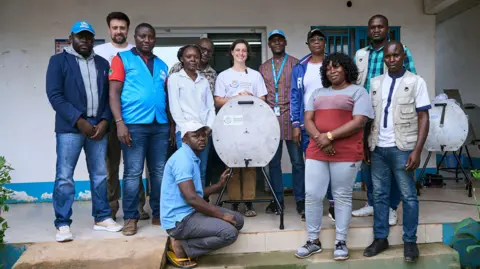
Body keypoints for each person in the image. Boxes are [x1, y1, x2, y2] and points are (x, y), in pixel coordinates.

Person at [46, 21, 123, 242]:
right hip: (70, 128)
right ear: (71, 38)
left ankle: (101, 217)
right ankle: (62, 223)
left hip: (98, 128)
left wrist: (105, 121)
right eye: (80, 37)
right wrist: (80, 121)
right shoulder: (58, 61)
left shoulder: (101, 62)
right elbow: (55, 95)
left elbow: (109, 95)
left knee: (100, 175)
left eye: (89, 37)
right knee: (64, 176)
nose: (85, 41)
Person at [295, 52, 373, 261]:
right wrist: (322, 139)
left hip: (347, 152)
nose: (332, 70)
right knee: (312, 195)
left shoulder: (358, 92)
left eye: (336, 67)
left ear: (346, 69)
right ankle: (313, 240)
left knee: (341, 195)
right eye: (328, 68)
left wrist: (329, 136)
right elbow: (308, 119)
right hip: (317, 149)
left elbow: (359, 121)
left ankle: (340, 241)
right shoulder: (318, 92)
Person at [363, 41, 430, 263]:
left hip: (403, 149)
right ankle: (380, 238)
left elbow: (423, 117)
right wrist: (366, 145)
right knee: (379, 196)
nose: (392, 59)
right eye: (388, 56)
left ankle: (410, 241)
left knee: (409, 196)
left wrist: (417, 151)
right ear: (385, 59)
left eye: (396, 55)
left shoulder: (416, 82)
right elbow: (369, 117)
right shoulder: (375, 82)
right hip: (378, 148)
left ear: (403, 56)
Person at [352, 14, 417, 226]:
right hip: (365, 117)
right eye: (373, 27)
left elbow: (412, 81)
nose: (377, 30)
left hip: (391, 116)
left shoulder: (400, 50)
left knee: (395, 164)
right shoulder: (361, 54)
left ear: (388, 29)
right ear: (368, 30)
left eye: (380, 27)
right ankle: (373, 202)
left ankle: (390, 207)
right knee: (368, 161)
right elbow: (354, 83)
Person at [109, 23, 170, 235]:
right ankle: (131, 218)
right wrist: (119, 123)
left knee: (159, 173)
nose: (147, 40)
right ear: (135, 37)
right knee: (133, 173)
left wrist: (169, 125)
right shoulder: (122, 59)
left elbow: (166, 96)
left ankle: (158, 213)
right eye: (142, 36)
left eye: (151, 36)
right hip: (133, 125)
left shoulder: (162, 65)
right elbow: (113, 93)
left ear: (155, 39)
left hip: (159, 125)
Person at [161, 123, 244, 268]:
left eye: (203, 135)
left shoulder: (191, 157)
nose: (201, 139)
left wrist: (219, 185)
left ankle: (188, 241)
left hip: (190, 212)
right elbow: (191, 198)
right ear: (185, 139)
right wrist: (221, 215)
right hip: (179, 221)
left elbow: (196, 193)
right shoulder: (182, 160)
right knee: (229, 233)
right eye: (195, 136)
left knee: (238, 220)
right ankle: (181, 246)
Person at [94, 11, 150, 221]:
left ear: (128, 29)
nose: (119, 31)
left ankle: (138, 206)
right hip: (107, 118)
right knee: (110, 166)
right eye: (115, 28)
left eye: (122, 28)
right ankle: (111, 207)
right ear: (109, 29)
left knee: (133, 167)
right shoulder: (99, 52)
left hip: (134, 118)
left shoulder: (136, 53)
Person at [214, 39, 268, 217]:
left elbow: (263, 100)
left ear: (247, 54)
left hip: (251, 124)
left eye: (244, 50)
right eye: (237, 50)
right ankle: (235, 202)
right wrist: (235, 99)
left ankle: (249, 202)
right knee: (233, 161)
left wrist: (250, 96)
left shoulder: (255, 75)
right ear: (231, 52)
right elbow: (217, 100)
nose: (241, 53)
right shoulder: (224, 76)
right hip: (231, 124)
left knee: (250, 162)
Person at [259, 30, 305, 221]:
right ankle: (277, 199)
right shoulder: (263, 68)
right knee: (274, 164)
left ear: (285, 42)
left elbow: (300, 93)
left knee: (297, 162)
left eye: (280, 40)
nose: (277, 43)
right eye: (273, 41)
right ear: (269, 45)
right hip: (271, 119)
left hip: (291, 117)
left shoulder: (296, 63)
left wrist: (299, 122)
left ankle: (301, 200)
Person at [290, 28, 335, 221]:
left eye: (320, 39)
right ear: (307, 44)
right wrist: (295, 124)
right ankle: (310, 206)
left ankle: (334, 205)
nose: (316, 42)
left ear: (325, 43)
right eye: (313, 39)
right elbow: (295, 96)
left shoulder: (334, 64)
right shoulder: (301, 67)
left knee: (333, 163)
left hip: (332, 122)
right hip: (308, 124)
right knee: (312, 167)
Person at [167, 45, 216, 189]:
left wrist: (208, 127)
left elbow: (210, 107)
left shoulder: (203, 81)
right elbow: (175, 108)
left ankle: (199, 206)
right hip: (185, 133)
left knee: (201, 170)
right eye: (189, 57)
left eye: (196, 57)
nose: (193, 60)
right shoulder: (175, 78)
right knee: (186, 171)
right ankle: (186, 208)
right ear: (182, 59)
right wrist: (188, 131)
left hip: (203, 133)